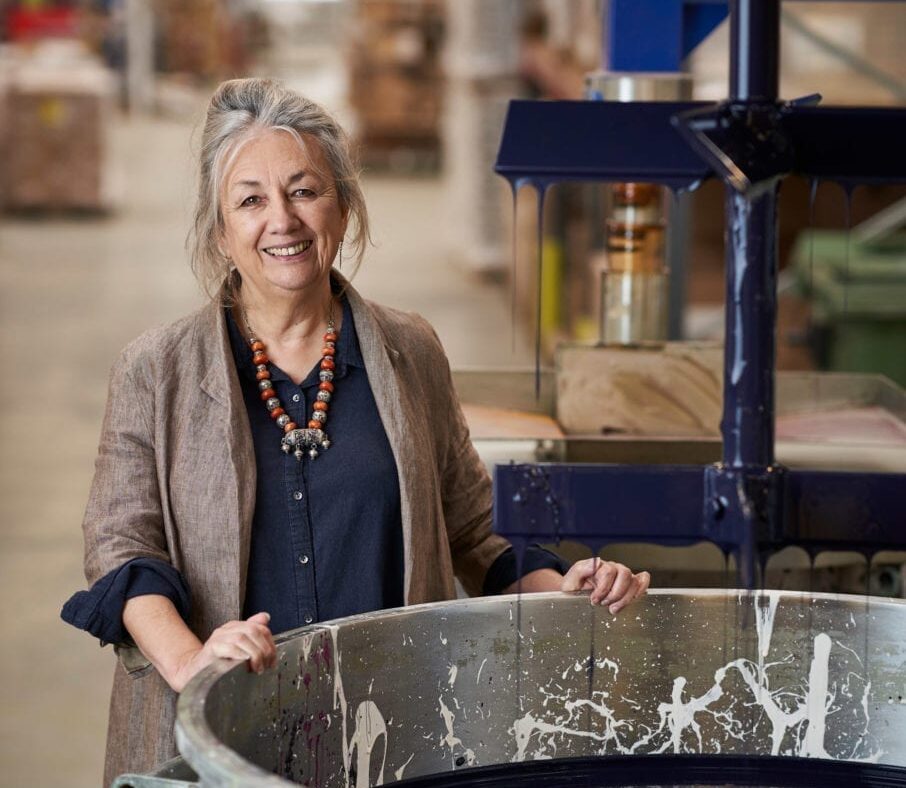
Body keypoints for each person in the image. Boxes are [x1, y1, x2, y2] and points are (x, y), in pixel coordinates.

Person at [62, 78, 650, 784]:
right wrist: (192, 663)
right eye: (251, 200)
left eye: (304, 190)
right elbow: (122, 547)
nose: (282, 219)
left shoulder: (409, 351)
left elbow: (471, 529)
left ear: (341, 206)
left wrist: (562, 592)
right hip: (217, 743)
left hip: (385, 732)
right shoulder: (154, 370)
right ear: (221, 232)